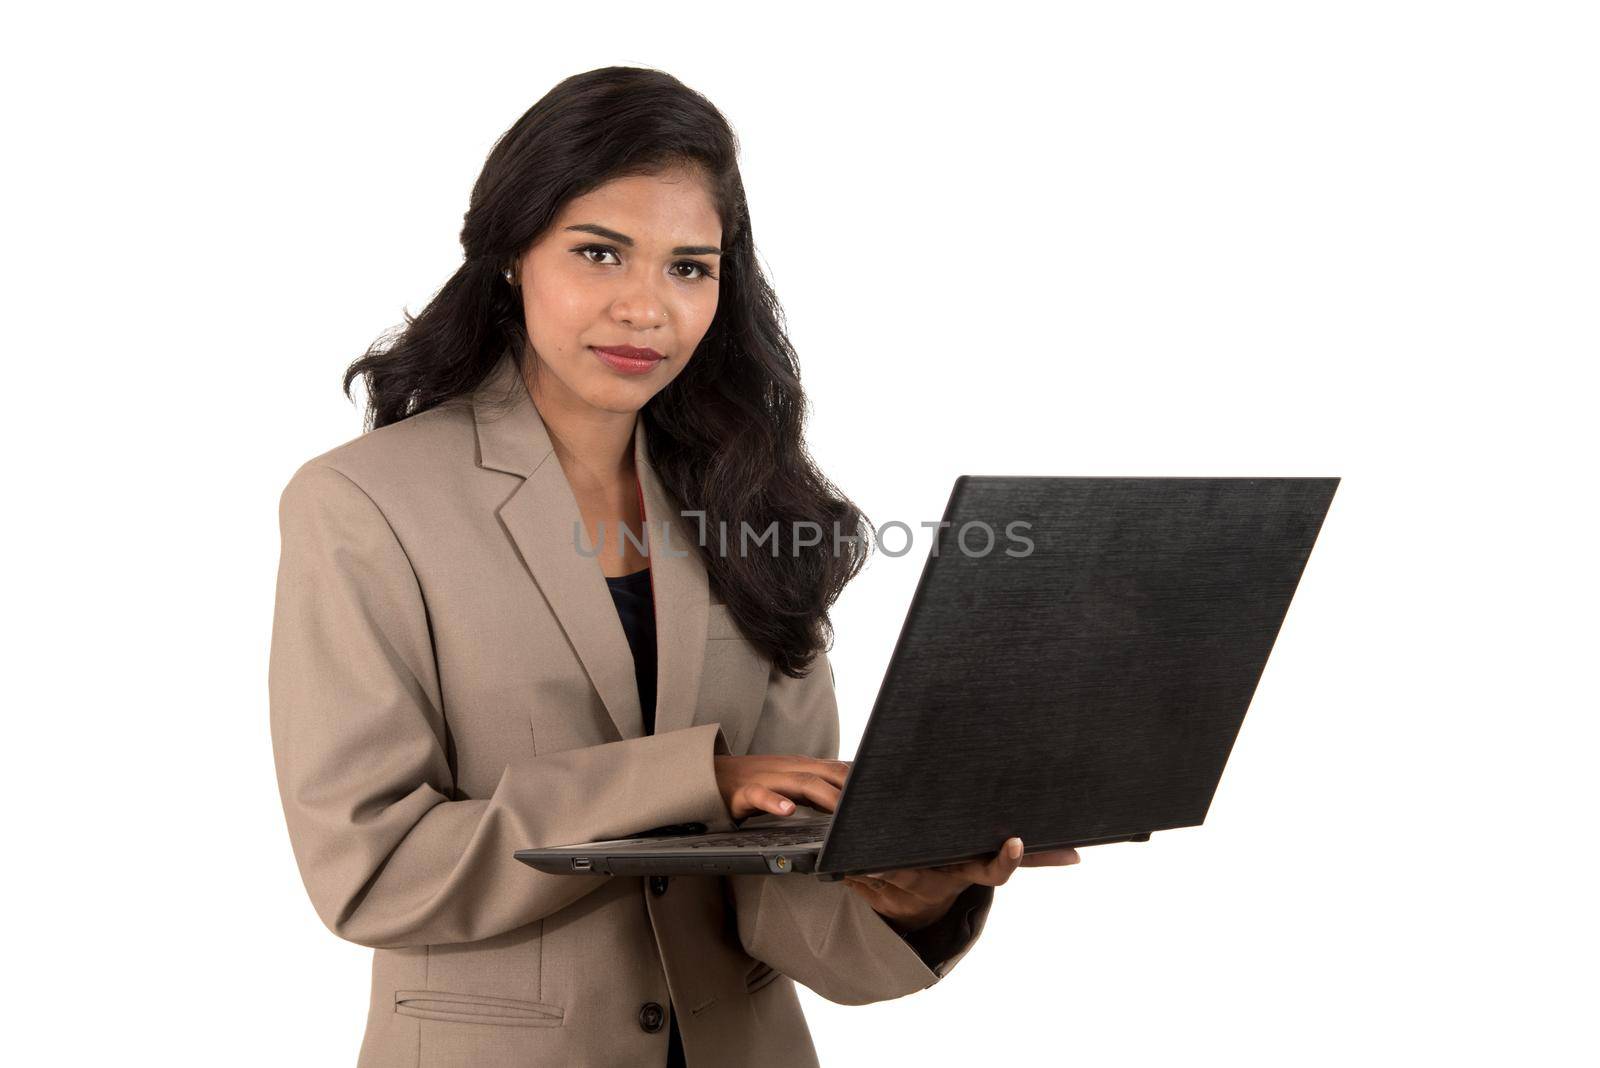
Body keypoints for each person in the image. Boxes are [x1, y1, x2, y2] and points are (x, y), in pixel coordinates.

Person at [268, 65, 1081, 1068]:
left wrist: (905, 899)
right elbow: (372, 869)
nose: (647, 308)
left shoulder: (758, 503)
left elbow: (774, 894)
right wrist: (697, 780)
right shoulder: (363, 504)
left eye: (688, 267)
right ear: (512, 255)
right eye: (600, 253)